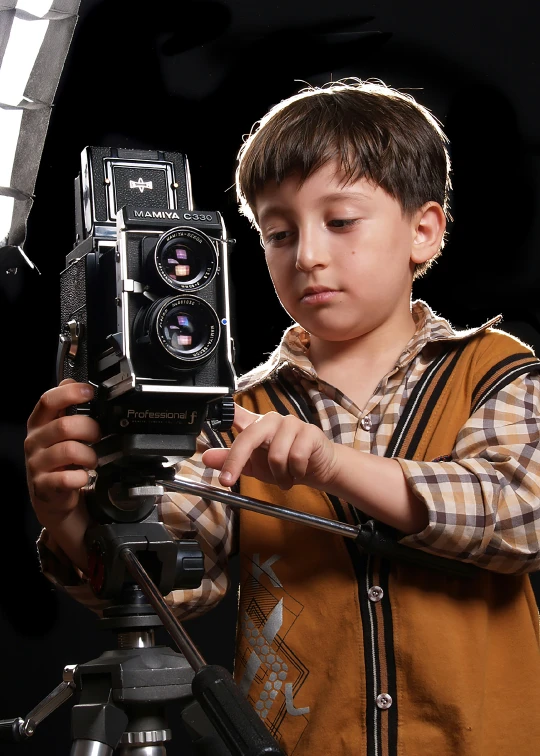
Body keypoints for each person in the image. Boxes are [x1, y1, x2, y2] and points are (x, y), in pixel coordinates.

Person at [24, 79, 540, 755]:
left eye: (341, 221)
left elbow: (518, 515)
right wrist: (66, 515)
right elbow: (170, 585)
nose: (308, 255)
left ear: (424, 230)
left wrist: (332, 464)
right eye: (277, 232)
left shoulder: (494, 366)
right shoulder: (232, 411)